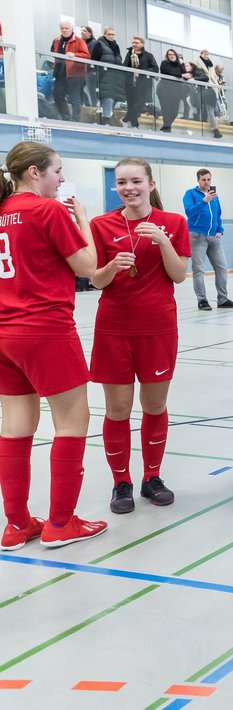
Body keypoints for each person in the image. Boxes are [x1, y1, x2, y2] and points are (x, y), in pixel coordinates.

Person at [0, 141, 107, 550]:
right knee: (72, 423)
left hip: (5, 333)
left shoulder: (3, 210)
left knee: (14, 427)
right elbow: (89, 267)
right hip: (45, 330)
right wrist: (83, 220)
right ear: (34, 172)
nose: (61, 178)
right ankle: (61, 523)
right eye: (57, 170)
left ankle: (16, 524)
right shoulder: (46, 211)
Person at [89, 158, 190, 514]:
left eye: (135, 181)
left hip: (158, 327)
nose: (128, 188)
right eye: (121, 182)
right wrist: (109, 267)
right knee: (117, 409)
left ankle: (152, 477)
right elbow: (95, 281)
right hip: (113, 327)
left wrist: (163, 242)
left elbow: (179, 276)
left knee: (154, 405)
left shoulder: (174, 222)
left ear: (150, 183)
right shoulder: (101, 224)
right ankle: (121, 482)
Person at [183, 169, 233, 311]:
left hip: (214, 237)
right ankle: (202, 300)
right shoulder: (190, 194)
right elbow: (189, 212)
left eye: (209, 179)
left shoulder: (215, 196)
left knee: (221, 268)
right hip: (197, 236)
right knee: (198, 269)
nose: (207, 182)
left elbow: (218, 214)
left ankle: (223, 299)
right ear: (198, 180)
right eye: (204, 180)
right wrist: (203, 201)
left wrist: (220, 230)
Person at [50, 20, 91, 122]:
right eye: (62, 28)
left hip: (75, 74)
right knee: (57, 95)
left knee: (75, 98)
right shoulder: (56, 40)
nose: (64, 30)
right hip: (60, 73)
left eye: (66, 28)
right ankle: (66, 117)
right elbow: (53, 52)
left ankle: (76, 119)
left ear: (72, 29)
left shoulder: (79, 41)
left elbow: (87, 55)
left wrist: (75, 55)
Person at [122, 36, 158, 129]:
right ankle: (134, 125)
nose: (134, 44)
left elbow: (155, 69)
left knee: (139, 104)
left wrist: (141, 71)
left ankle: (125, 119)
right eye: (133, 42)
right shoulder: (129, 54)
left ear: (142, 44)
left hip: (143, 84)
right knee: (131, 105)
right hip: (130, 83)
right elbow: (125, 66)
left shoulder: (148, 55)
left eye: (136, 43)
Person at [91, 27, 124, 126]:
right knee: (107, 98)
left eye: (113, 34)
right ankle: (104, 121)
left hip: (115, 77)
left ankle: (106, 119)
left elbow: (119, 61)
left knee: (113, 99)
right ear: (104, 34)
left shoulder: (116, 46)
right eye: (109, 34)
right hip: (103, 76)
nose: (111, 36)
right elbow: (94, 60)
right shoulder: (99, 44)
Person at [157, 50, 185, 133]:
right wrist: (181, 75)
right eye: (169, 54)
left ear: (176, 56)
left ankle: (166, 127)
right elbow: (168, 72)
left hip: (175, 92)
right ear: (167, 56)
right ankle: (167, 129)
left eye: (173, 54)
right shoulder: (164, 63)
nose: (171, 56)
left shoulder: (179, 65)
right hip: (164, 90)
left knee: (175, 112)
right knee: (166, 110)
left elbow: (186, 74)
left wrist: (183, 69)